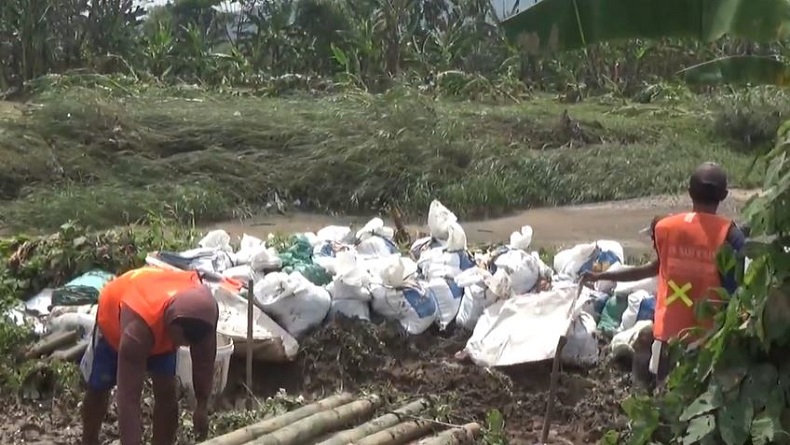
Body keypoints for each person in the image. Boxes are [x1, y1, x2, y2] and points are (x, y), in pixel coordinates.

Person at [582, 162, 745, 384]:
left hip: (668, 334)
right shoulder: (730, 235)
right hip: (709, 339)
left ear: (689, 192)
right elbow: (737, 288)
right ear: (724, 195)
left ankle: (642, 402)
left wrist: (601, 276)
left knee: (664, 392)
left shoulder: (666, 228)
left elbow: (652, 268)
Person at [80, 266, 219, 445]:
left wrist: (202, 405)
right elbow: (128, 400)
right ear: (171, 326)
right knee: (99, 388)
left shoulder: (204, 314)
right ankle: (88, 440)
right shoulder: (136, 332)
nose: (181, 346)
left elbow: (204, 361)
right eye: (180, 341)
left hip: (156, 315)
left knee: (167, 392)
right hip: (114, 323)